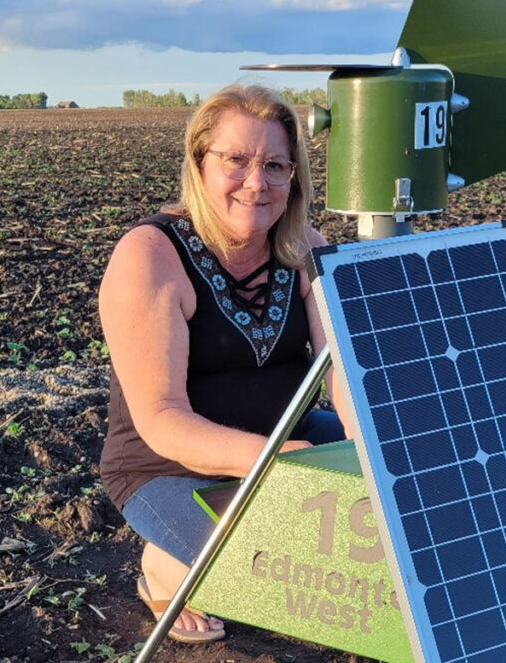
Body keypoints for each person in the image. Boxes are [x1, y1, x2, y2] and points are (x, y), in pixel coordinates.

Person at [98, 84, 345, 643]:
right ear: (199, 163)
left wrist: (371, 460)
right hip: (168, 467)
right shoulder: (151, 255)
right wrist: (280, 463)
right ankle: (165, 564)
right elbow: (161, 419)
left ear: (294, 177)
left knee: (394, 500)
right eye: (236, 160)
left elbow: (343, 374)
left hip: (291, 438)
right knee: (284, 568)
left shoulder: (304, 246)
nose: (256, 182)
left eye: (275, 165)